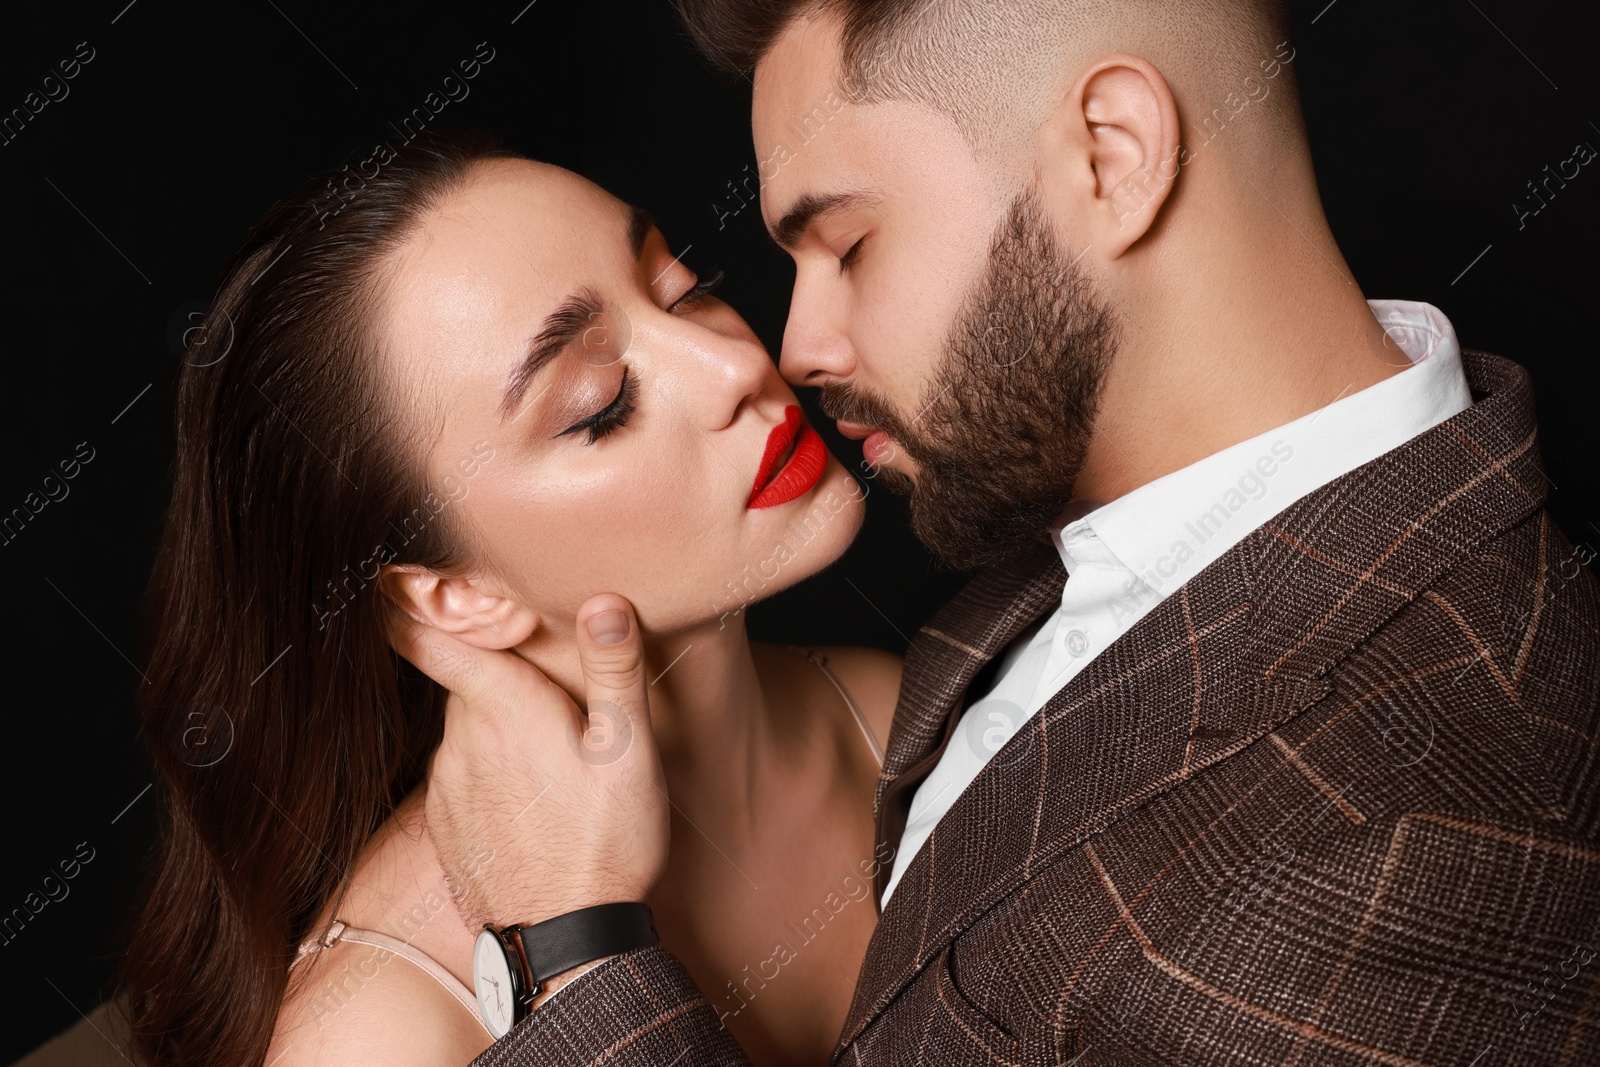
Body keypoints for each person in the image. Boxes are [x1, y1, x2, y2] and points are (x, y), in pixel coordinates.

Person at [423, 1, 1600, 1064]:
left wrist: (574, 954)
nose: (792, 348)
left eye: (847, 246)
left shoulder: (1407, 829)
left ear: (1111, 156)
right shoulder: (1061, 554)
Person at [117, 131, 908, 1067]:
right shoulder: (375, 1036)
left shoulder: (905, 718)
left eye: (680, 286)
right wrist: (581, 948)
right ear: (449, 596)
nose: (735, 366)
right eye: (599, 402)